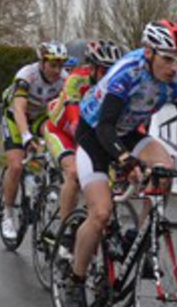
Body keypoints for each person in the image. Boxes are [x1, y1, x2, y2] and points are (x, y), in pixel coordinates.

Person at [63, 20, 177, 307]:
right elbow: (105, 127)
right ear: (149, 52)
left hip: (127, 133)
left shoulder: (175, 80)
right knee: (100, 213)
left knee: (165, 169)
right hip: (95, 134)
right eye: (168, 59)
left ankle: (139, 238)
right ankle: (75, 280)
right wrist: (125, 159)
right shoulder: (127, 73)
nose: (174, 68)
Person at [44, 39, 125, 229]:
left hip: (88, 134)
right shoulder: (76, 79)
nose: (110, 76)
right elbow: (74, 119)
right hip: (61, 131)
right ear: (92, 68)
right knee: (74, 173)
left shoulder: (118, 85)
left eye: (113, 70)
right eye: (104, 70)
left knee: (108, 180)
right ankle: (65, 231)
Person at [0, 42, 68, 243]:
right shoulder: (26, 76)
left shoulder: (64, 80)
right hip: (15, 117)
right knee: (16, 165)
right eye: (52, 65)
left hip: (39, 117)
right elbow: (19, 109)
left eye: (60, 65)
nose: (57, 71)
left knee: (53, 137)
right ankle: (8, 214)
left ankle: (47, 178)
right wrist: (26, 136)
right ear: (42, 62)